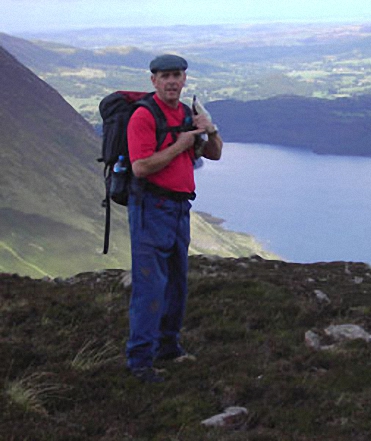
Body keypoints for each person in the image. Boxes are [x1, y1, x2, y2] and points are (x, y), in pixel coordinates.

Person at [125, 54, 223, 383]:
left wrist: (210, 129)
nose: (171, 81)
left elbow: (215, 153)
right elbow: (140, 168)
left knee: (177, 284)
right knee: (150, 287)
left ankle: (168, 348)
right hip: (150, 208)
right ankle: (139, 362)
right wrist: (181, 143)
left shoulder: (185, 113)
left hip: (180, 209)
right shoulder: (144, 115)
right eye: (165, 76)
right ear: (153, 80)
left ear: (184, 79)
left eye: (177, 75)